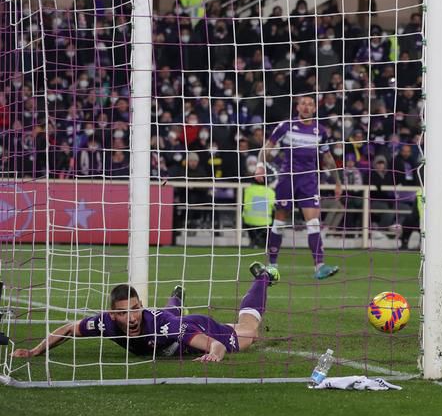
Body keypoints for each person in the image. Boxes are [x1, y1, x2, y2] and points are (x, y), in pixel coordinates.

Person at [13, 263, 279, 363]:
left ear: (140, 306)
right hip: (171, 319)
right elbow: (69, 328)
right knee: (167, 315)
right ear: (112, 314)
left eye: (135, 309)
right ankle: (176, 297)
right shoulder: (105, 323)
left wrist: (213, 355)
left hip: (199, 327)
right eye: (123, 313)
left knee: (249, 331)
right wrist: (35, 351)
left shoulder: (165, 326)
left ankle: (264, 277)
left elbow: (215, 344)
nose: (131, 318)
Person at [255, 95, 343, 280]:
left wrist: (337, 181)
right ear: (297, 107)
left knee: (313, 222)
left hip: (309, 181)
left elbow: (327, 158)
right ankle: (272, 265)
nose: (306, 107)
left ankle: (319, 266)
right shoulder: (285, 126)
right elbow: (267, 147)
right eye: (303, 103)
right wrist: (260, 166)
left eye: (310, 104)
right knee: (280, 220)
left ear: (314, 109)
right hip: (287, 179)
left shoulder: (320, 131)